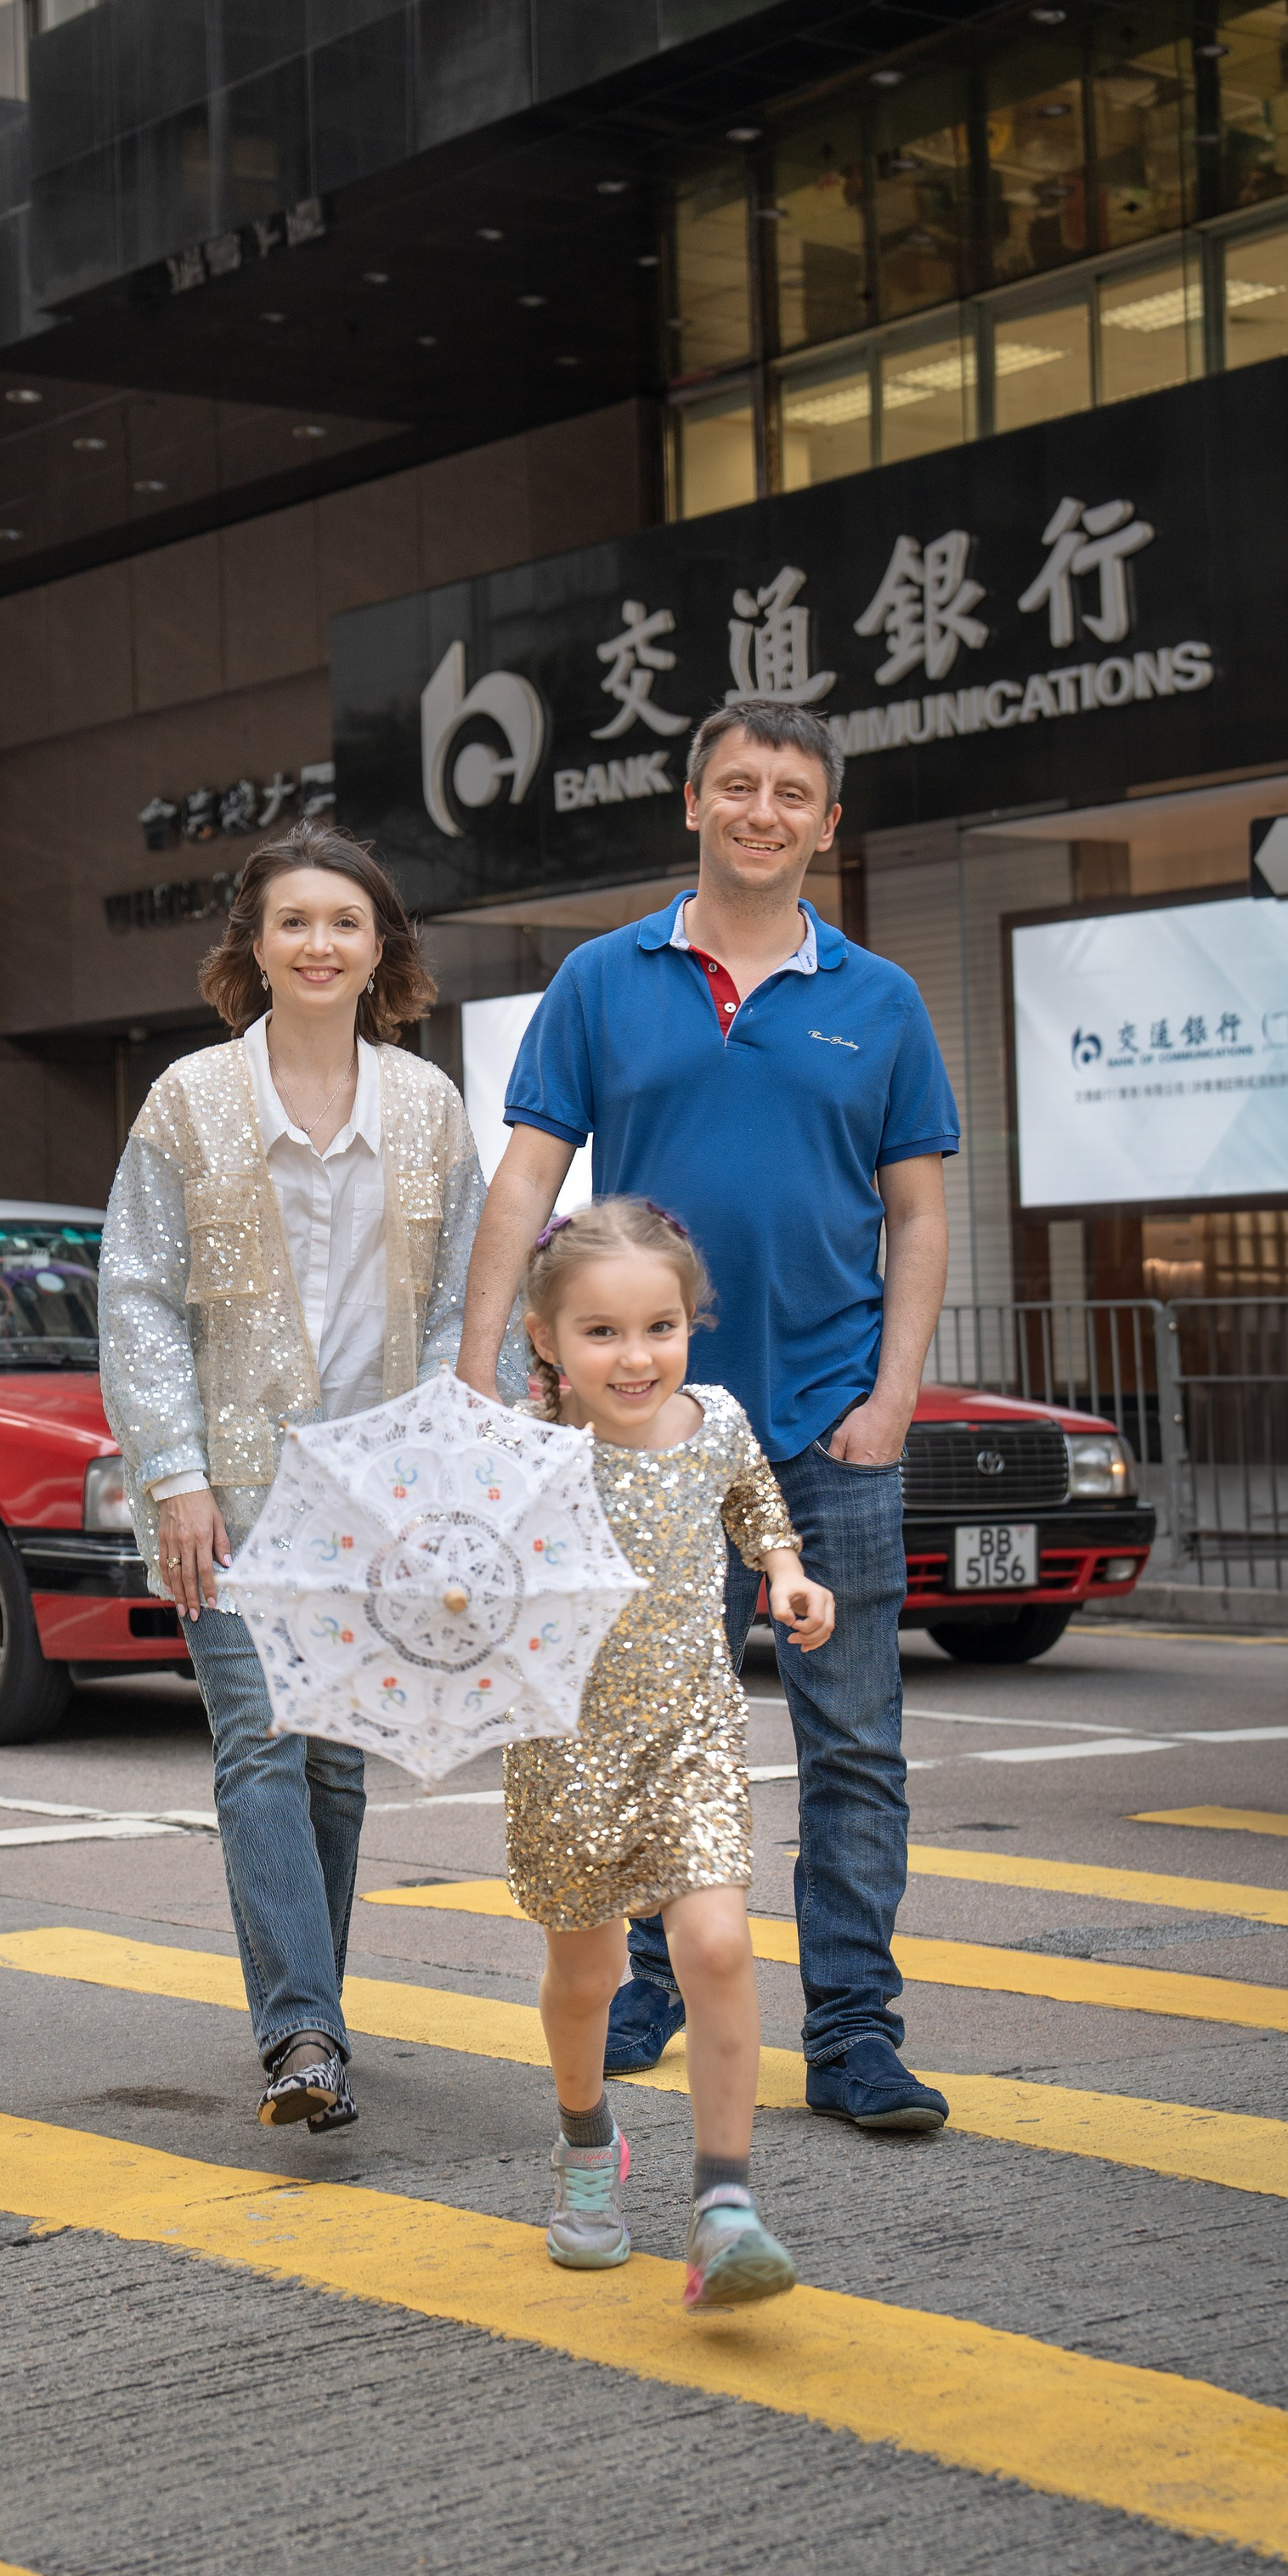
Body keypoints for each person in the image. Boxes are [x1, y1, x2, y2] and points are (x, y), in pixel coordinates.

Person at [457, 697, 959, 2133]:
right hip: (640, 1441)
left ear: (826, 824)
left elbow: (915, 1215)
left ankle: (856, 2033)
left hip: (825, 1429)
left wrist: (893, 1395)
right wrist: (484, 1359)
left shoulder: (882, 1001)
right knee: (625, 1722)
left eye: (790, 793)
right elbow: (526, 1179)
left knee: (854, 1745)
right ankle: (653, 1983)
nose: (761, 811)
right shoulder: (604, 980)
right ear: (692, 803)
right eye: (736, 786)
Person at [100, 822, 483, 2135]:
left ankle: (313, 2011)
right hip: (230, 1492)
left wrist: (435, 1460)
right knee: (261, 1746)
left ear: (382, 948)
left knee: (335, 1773)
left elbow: (456, 1303)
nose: (320, 945)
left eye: (346, 923)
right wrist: (173, 1472)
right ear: (252, 947)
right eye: (294, 923)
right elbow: (139, 1298)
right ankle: (303, 2036)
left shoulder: (427, 1107)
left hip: (375, 1498)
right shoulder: (191, 1100)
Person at [505, 1197, 832, 2293]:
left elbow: (758, 1511)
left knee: (718, 1946)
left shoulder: (720, 1422)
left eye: (661, 1327)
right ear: (548, 1340)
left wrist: (787, 1575)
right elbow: (467, 1573)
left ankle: (724, 2202)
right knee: (588, 1973)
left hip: (692, 1729)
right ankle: (589, 2145)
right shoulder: (524, 1448)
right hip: (566, 1745)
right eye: (602, 1332)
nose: (636, 1357)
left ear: (693, 1322)